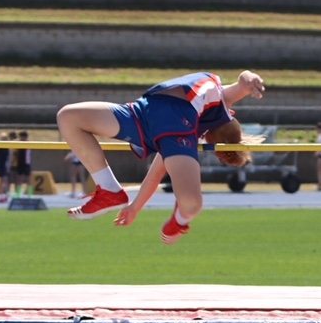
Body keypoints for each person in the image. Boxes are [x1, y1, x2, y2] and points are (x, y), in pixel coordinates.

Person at [58, 71, 265, 242]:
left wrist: (136, 207)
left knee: (192, 203)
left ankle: (180, 220)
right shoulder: (216, 100)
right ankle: (109, 189)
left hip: (162, 121)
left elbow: (156, 173)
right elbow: (243, 81)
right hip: (145, 111)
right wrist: (251, 80)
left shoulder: (194, 128)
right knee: (69, 117)